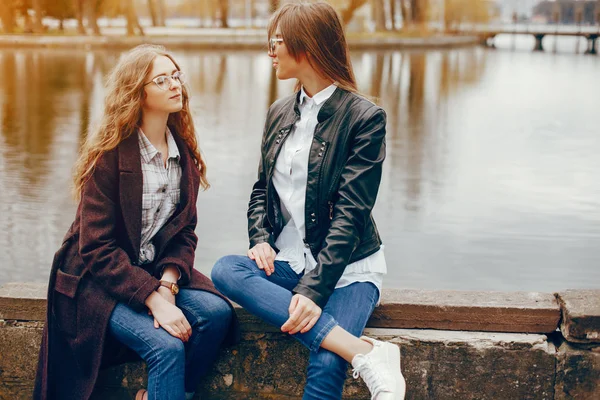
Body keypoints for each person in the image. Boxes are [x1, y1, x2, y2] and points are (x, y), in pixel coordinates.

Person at [211, 2, 405, 399]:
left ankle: (343, 348)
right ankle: (366, 351)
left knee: (327, 363)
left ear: (308, 46)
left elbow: (352, 214)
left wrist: (313, 293)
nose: (271, 51)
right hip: (289, 263)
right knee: (226, 270)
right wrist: (260, 238)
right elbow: (262, 189)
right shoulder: (279, 112)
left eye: (277, 41)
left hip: (349, 270)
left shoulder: (364, 118)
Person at [34, 44, 238, 400]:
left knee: (217, 313)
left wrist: (168, 284)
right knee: (166, 347)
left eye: (176, 75)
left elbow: (184, 232)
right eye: (162, 80)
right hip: (93, 279)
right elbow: (96, 248)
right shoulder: (110, 156)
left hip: (152, 271)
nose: (175, 84)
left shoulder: (182, 153)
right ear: (137, 94)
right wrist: (153, 299)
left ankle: (171, 393)